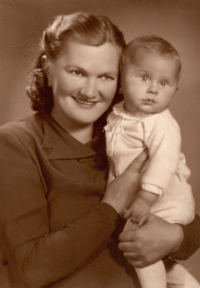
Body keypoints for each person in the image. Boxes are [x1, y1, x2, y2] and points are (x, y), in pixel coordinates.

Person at [0, 12, 199, 288]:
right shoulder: (16, 142)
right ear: (48, 67)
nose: (90, 90)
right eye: (78, 72)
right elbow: (31, 268)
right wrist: (113, 204)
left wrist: (175, 236)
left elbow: (183, 214)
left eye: (105, 76)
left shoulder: (127, 133)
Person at [105, 35, 200, 287]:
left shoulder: (160, 122)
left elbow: (164, 162)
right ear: (122, 83)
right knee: (158, 256)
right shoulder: (117, 117)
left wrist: (145, 199)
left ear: (175, 90)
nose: (153, 89)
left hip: (165, 200)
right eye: (144, 77)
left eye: (164, 83)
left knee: (135, 241)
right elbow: (115, 162)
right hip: (145, 201)